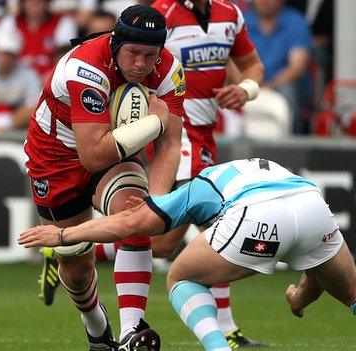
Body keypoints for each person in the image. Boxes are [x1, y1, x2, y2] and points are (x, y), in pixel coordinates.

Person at [19, 158, 356, 351]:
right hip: (312, 203)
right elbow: (318, 272)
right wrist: (298, 301)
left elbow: (129, 224)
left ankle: (219, 348)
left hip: (257, 217)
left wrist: (63, 234)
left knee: (181, 276)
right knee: (352, 294)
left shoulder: (197, 186)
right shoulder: (259, 169)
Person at [91, 0, 266, 347]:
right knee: (215, 224)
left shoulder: (230, 14)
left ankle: (88, 244)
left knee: (163, 241)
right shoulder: (161, 14)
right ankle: (228, 330)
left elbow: (253, 66)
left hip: (205, 133)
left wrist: (245, 90)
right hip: (174, 131)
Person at [24, 5, 185, 350]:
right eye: (133, 53)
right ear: (115, 43)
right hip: (56, 157)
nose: (142, 64)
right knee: (78, 268)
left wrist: (154, 206)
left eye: (150, 55)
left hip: (117, 151)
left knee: (136, 210)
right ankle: (96, 325)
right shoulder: (86, 67)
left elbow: (171, 145)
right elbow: (92, 154)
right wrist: (155, 121)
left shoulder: (170, 69)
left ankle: (131, 330)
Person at [244, 0, 313, 134]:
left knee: (288, 91)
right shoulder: (242, 21)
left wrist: (270, 85)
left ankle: (292, 145)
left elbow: (296, 68)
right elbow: (233, 63)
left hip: (284, 84)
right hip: (249, 82)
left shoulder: (296, 22)